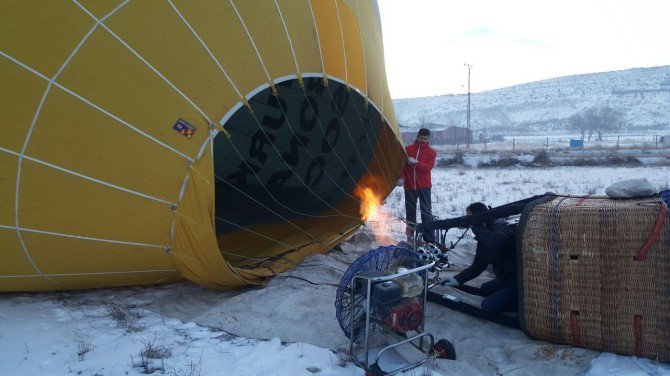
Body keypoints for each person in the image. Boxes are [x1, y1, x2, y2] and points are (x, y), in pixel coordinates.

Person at [441, 202, 518, 313]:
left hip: (519, 282)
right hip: (506, 279)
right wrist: (456, 280)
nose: (469, 221)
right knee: (485, 289)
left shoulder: (500, 227)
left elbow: (496, 243)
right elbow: (477, 267)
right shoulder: (483, 237)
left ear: (478, 216)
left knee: (487, 306)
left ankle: (521, 306)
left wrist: (476, 227)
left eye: (470, 217)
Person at [402, 128, 436, 241]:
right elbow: (402, 166)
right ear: (417, 137)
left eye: (425, 139)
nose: (423, 140)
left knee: (426, 213)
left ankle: (429, 239)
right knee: (410, 214)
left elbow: (428, 167)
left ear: (428, 139)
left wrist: (416, 163)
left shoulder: (431, 152)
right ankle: (410, 238)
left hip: (425, 187)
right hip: (409, 186)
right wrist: (401, 178)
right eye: (421, 138)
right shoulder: (408, 149)